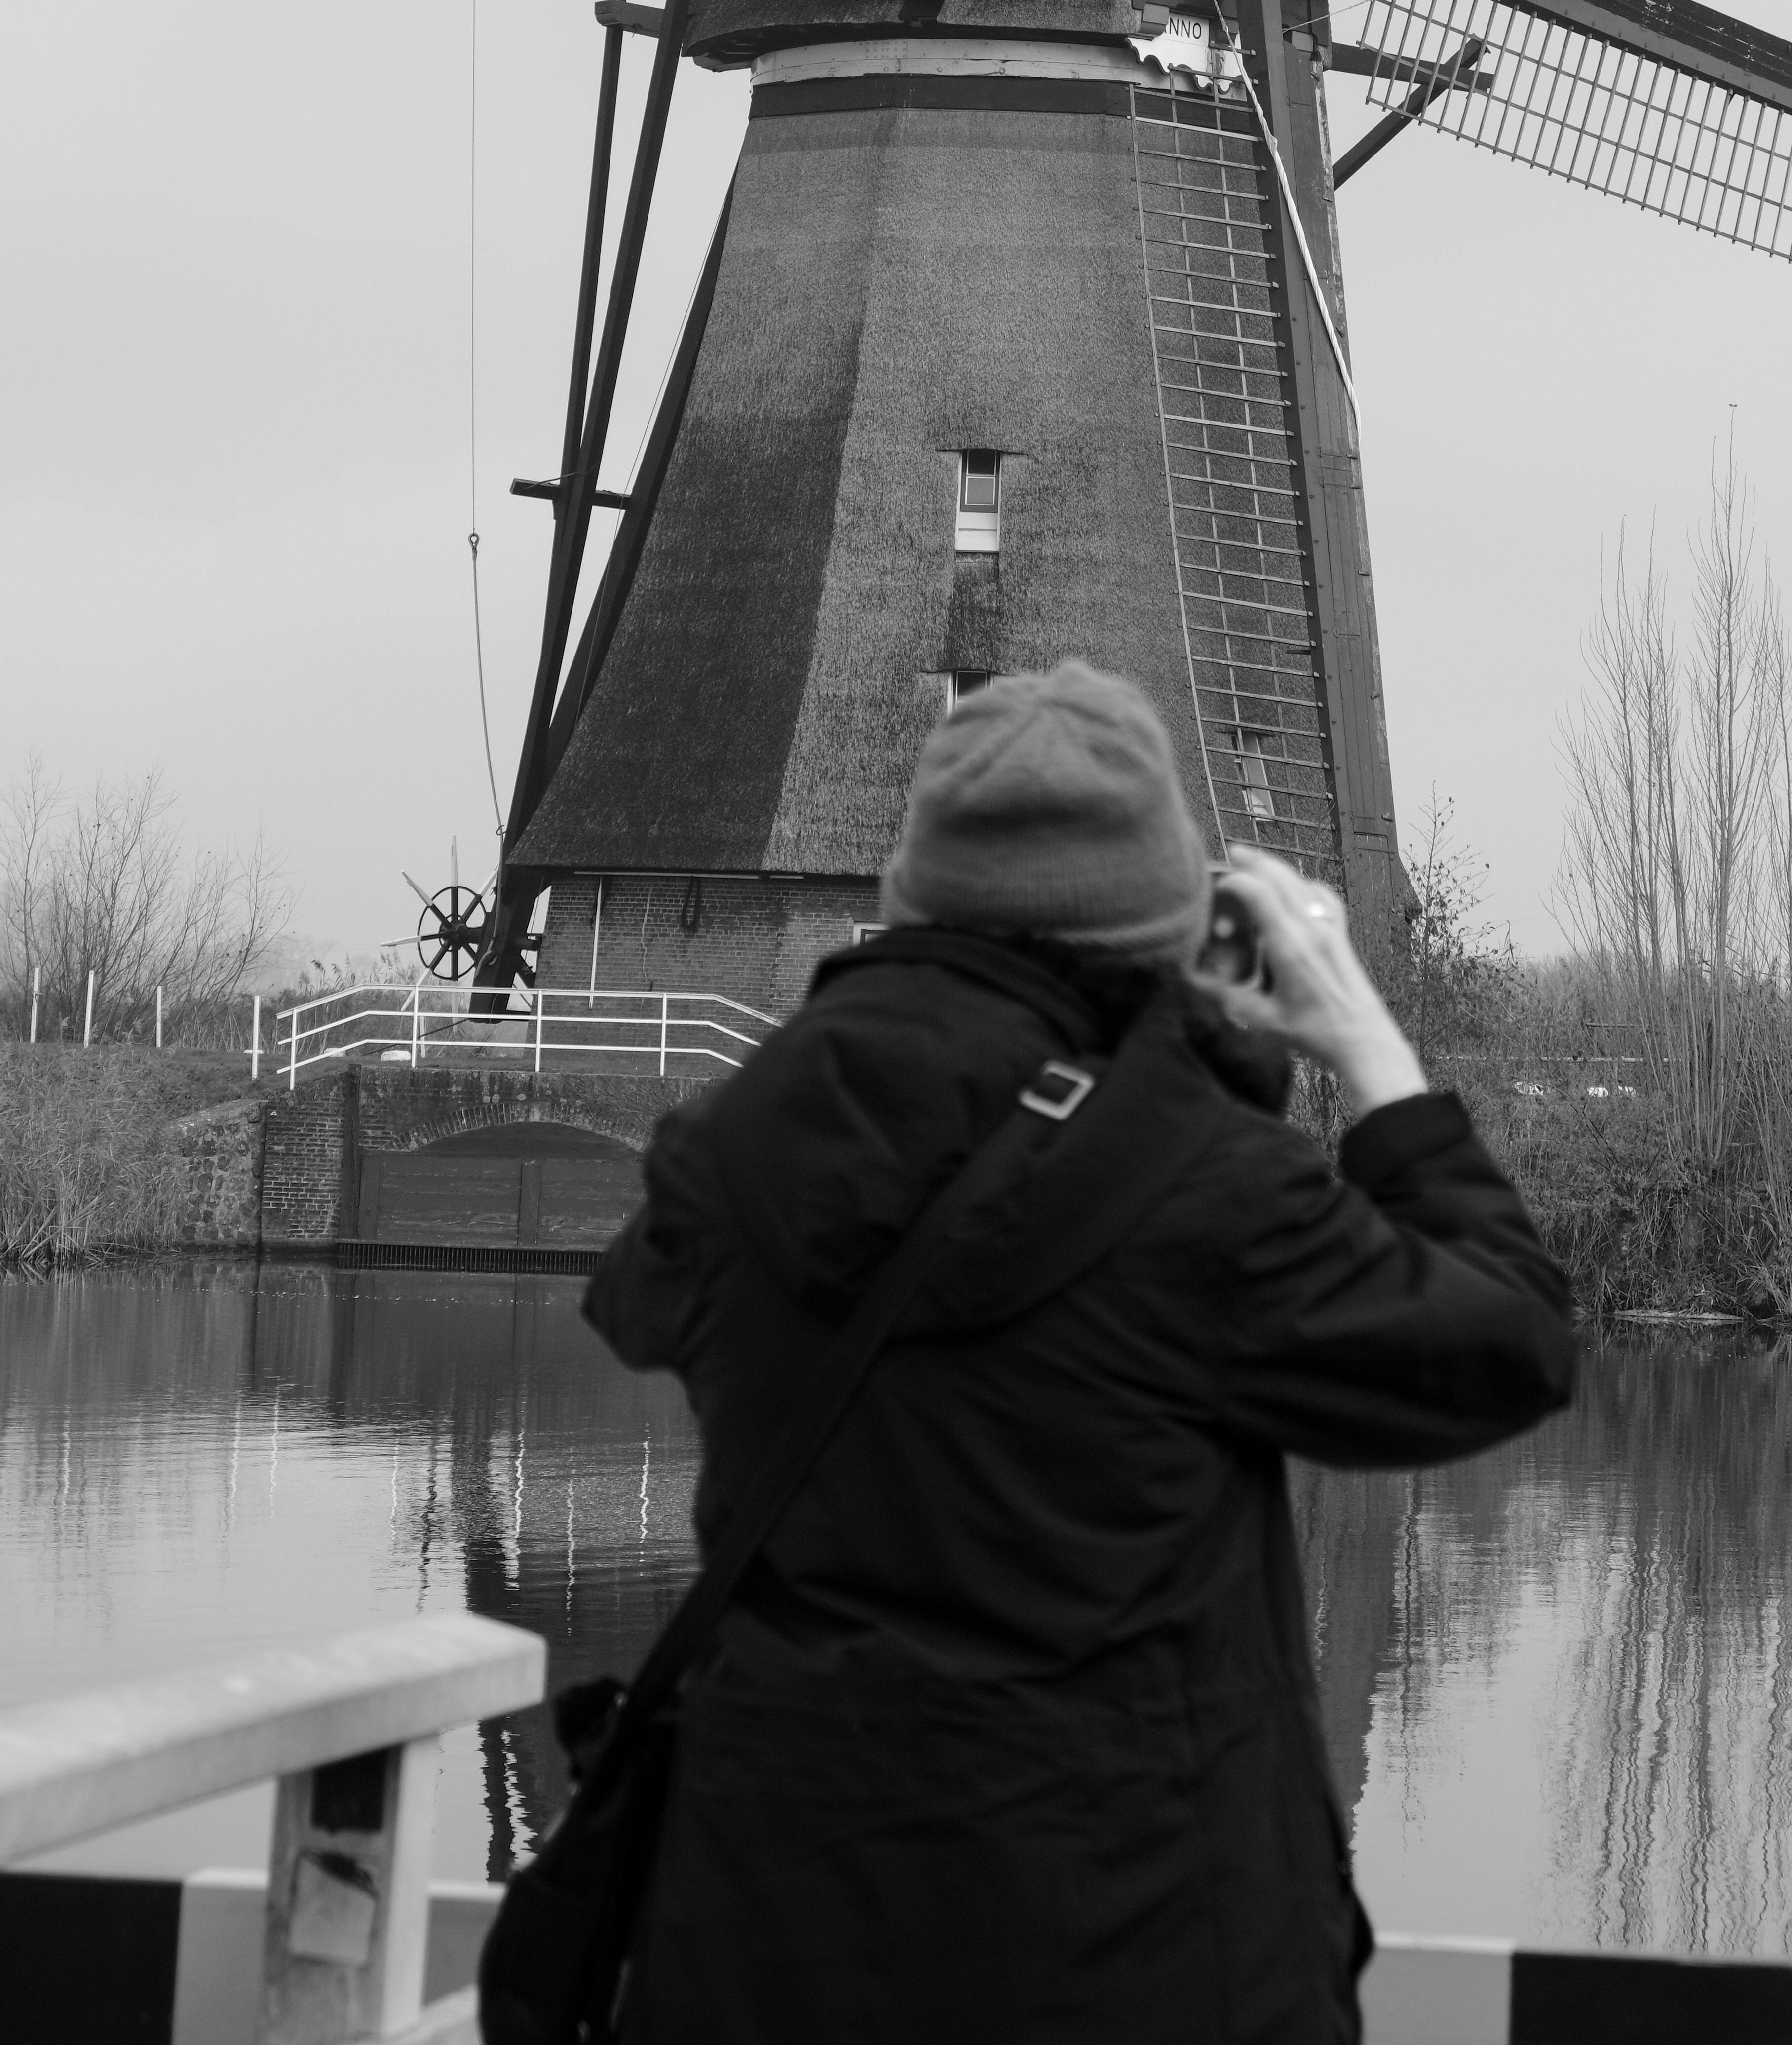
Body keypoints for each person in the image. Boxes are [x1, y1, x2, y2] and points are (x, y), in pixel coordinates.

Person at [583, 658, 1575, 2044]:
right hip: (1138, 1958)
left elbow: (637, 1305)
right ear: (1171, 920)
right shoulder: (1205, 1184)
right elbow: (1510, 1342)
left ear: (910, 889)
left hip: (765, 1959)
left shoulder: (727, 1147)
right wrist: (1356, 1041)